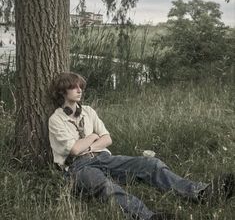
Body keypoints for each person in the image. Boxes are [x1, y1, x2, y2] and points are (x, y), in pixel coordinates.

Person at [48, 72, 234, 220]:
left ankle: (202, 193)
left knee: (150, 164)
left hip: (104, 157)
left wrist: (90, 144)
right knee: (106, 186)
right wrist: (94, 136)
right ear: (63, 91)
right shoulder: (56, 119)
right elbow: (74, 150)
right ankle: (148, 217)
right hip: (78, 167)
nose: (79, 90)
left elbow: (107, 139)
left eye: (81, 86)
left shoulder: (88, 111)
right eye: (74, 87)